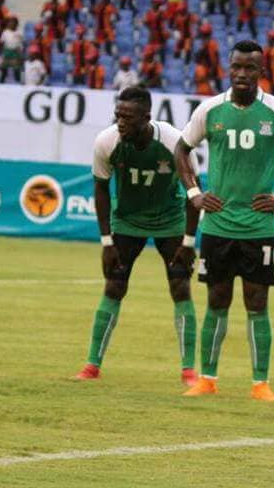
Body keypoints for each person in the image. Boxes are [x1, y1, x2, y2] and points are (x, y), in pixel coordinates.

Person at [175, 39, 274, 401]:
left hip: (259, 226)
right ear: (229, 68)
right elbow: (181, 148)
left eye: (250, 68)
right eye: (236, 67)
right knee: (217, 300)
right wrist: (194, 193)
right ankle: (207, 379)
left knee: (257, 303)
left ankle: (261, 384)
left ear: (261, 71)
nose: (242, 73)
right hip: (217, 224)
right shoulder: (210, 109)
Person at [75, 86, 201, 387]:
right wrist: (106, 242)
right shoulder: (106, 142)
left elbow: (193, 192)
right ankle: (92, 366)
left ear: (146, 117)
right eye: (118, 115)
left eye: (128, 117)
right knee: (114, 285)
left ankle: (188, 371)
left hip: (170, 220)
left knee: (180, 286)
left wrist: (188, 242)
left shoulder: (174, 142)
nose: (120, 122)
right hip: (127, 221)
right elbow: (101, 191)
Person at [0, 16, 24, 84]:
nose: (12, 24)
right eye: (11, 22)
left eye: (14, 23)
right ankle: (0, 83)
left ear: (17, 24)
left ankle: (19, 83)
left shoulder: (19, 33)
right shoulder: (5, 32)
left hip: (15, 52)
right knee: (3, 69)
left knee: (16, 69)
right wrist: (1, 54)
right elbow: (2, 43)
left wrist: (20, 55)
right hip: (7, 52)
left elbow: (21, 44)